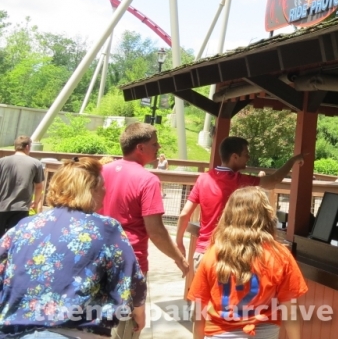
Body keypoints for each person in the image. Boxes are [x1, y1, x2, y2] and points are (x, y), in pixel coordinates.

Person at [0, 157, 146, 338]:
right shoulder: (105, 228)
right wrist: (139, 311)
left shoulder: (25, 225)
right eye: (102, 186)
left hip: (13, 331)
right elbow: (130, 279)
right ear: (91, 190)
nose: (105, 190)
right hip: (74, 330)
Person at [98, 122, 189, 339]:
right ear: (140, 148)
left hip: (96, 257)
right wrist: (179, 258)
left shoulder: (101, 172)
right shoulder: (148, 180)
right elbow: (156, 231)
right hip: (130, 261)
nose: (158, 148)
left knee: (97, 323)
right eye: (154, 144)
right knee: (125, 328)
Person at [189, 187, 307, 339]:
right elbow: (290, 310)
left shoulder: (213, 255)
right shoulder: (280, 255)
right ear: (266, 216)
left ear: (229, 215)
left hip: (220, 333)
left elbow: (199, 310)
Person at [176, 137, 305, 263]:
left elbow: (184, 214)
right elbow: (274, 180)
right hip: (227, 255)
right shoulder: (239, 181)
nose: (248, 157)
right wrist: (293, 160)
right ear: (235, 157)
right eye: (246, 154)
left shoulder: (203, 178)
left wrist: (179, 242)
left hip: (203, 253)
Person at [0, 135, 44, 235]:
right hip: (21, 208)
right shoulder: (36, 163)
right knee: (15, 238)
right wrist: (36, 202)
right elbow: (39, 186)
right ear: (27, 147)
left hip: (1, 206)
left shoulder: (2, 161)